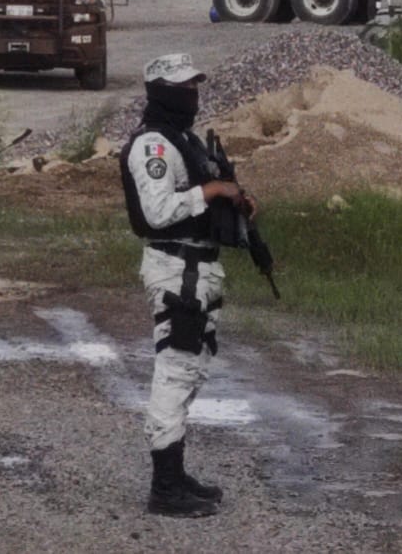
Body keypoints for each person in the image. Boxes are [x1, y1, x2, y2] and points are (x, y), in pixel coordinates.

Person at [119, 52, 257, 518]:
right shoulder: (153, 146)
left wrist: (232, 201)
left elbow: (202, 193)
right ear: (160, 92)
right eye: (182, 87)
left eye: (194, 86)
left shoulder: (184, 139)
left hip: (197, 269)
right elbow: (158, 213)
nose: (191, 96)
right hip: (177, 269)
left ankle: (176, 476)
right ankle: (164, 487)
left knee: (191, 370)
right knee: (174, 371)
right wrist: (211, 193)